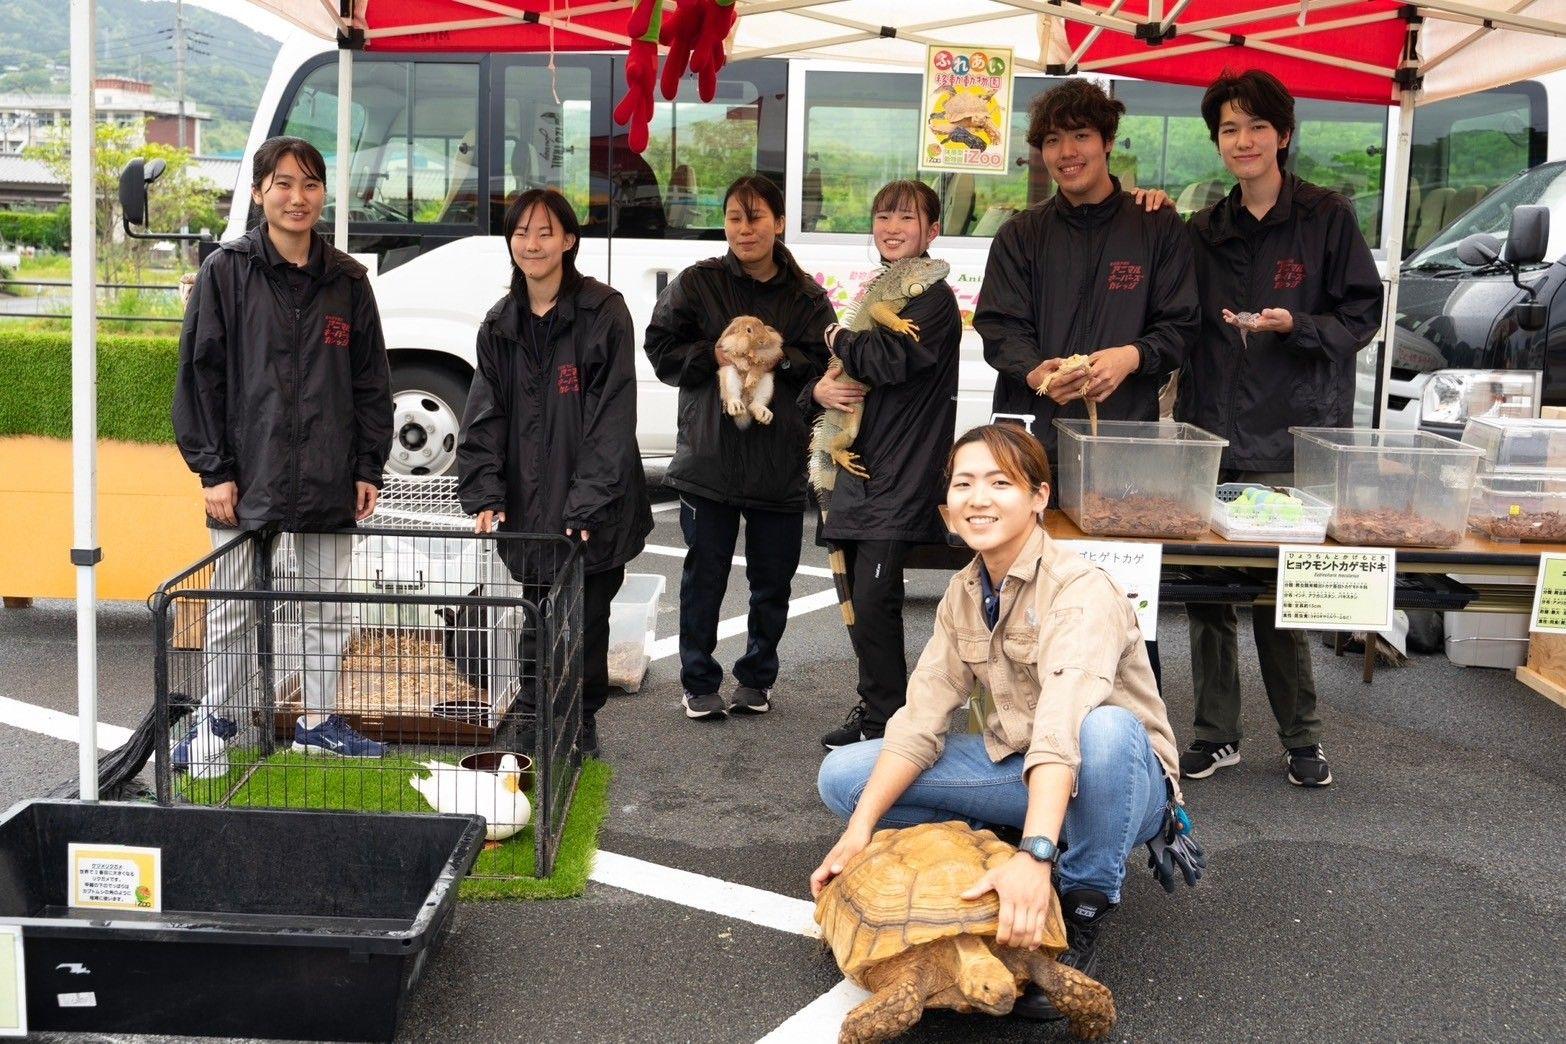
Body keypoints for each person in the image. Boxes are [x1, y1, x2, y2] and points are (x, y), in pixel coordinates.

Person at [813, 423, 1187, 1007]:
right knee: (844, 778)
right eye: (964, 484)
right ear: (946, 509)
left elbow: (1064, 727)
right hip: (1024, 765)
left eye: (999, 482)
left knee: (1107, 729)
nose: (979, 498)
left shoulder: (1080, 589)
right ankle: (1023, 838)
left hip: (1117, 784)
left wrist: (1035, 858)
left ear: (1039, 497)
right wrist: (857, 833)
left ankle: (1083, 894)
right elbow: (920, 720)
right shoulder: (963, 593)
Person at [1176, 70, 1383, 789]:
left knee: (1284, 592)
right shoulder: (1203, 228)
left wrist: (1299, 325)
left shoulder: (1326, 217)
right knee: (1207, 595)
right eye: (1229, 129)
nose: (1243, 141)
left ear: (1283, 135)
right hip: (1211, 429)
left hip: (1293, 432)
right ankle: (1215, 731)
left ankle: (1302, 737)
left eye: (1256, 127)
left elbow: (1363, 316)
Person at [171, 135, 393, 778]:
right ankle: (219, 721)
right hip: (246, 470)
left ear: (323, 194)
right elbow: (200, 374)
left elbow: (371, 381)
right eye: (284, 184)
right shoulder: (227, 271)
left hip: (328, 469)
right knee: (234, 606)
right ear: (261, 191)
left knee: (328, 606)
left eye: (311, 184)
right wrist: (214, 469)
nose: (298, 198)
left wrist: (366, 466)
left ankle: (319, 723)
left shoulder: (348, 281)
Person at [456, 188, 653, 759]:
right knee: (536, 609)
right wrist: (487, 490)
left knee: (588, 616)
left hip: (598, 501)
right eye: (521, 232)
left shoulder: (603, 311)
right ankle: (533, 712)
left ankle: (581, 719)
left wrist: (588, 502)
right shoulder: (500, 323)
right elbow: (484, 412)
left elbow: (613, 416)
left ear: (569, 240)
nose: (532, 243)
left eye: (546, 232)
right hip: (529, 498)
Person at [644, 175, 835, 720]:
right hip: (710, 455)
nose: (744, 228)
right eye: (734, 217)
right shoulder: (698, 283)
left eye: (755, 218)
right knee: (704, 575)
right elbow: (660, 348)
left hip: (780, 456)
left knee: (772, 580)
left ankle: (756, 676)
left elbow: (824, 363)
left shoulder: (806, 297)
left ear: (778, 223)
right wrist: (715, 356)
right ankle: (698, 680)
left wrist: (783, 361)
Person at [805, 180, 962, 750]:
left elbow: (888, 358)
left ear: (932, 231)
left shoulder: (934, 297)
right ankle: (879, 707)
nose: (892, 227)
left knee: (875, 599)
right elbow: (841, 372)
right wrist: (819, 393)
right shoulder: (883, 287)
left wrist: (835, 335)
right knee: (858, 601)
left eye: (906, 217)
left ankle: (888, 718)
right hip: (859, 470)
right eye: (882, 216)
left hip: (900, 470)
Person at [973, 78, 1199, 471]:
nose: (1067, 152)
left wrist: (1130, 357)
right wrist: (1034, 372)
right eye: (1052, 140)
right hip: (1029, 442)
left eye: (1081, 135)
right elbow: (999, 325)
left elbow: (1181, 323)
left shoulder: (1155, 225)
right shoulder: (1020, 233)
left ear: (1107, 141)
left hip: (1120, 438)